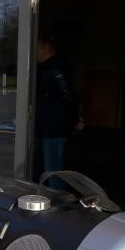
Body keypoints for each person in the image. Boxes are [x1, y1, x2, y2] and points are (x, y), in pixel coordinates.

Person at [34, 34, 81, 189]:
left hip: (54, 127)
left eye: (37, 49)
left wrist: (74, 120)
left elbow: (68, 97)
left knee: (53, 170)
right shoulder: (44, 69)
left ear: (45, 50)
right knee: (44, 167)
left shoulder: (55, 69)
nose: (34, 53)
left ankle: (59, 200)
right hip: (45, 126)